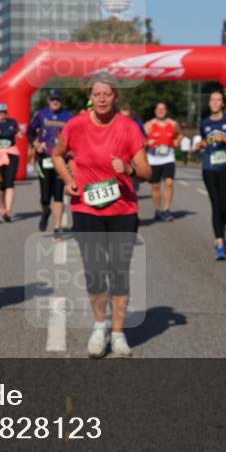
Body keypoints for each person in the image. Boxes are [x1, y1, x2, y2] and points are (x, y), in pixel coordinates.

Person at [53, 75, 151, 358]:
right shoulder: (76, 124)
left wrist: (129, 169)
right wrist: (67, 180)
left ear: (115, 96)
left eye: (107, 94)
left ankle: (118, 333)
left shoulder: (128, 128)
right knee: (95, 270)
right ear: (90, 97)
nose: (102, 98)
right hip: (86, 208)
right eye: (97, 94)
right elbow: (57, 154)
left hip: (123, 210)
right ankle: (100, 326)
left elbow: (147, 171)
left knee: (119, 271)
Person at [196, 90, 226, 260]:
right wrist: (201, 144)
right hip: (209, 168)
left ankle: (221, 232)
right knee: (215, 205)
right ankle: (220, 242)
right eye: (212, 100)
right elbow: (204, 141)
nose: (215, 103)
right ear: (209, 103)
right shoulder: (205, 123)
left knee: (223, 207)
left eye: (218, 100)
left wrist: (225, 139)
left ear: (223, 104)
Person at [28, 89, 73, 238]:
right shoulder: (40, 114)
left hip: (61, 159)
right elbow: (30, 132)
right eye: (53, 99)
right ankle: (46, 211)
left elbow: (74, 136)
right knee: (45, 197)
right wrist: (36, 145)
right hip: (44, 159)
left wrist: (71, 153)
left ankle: (57, 227)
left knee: (59, 194)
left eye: (58, 99)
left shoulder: (68, 116)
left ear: (61, 101)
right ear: (48, 100)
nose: (55, 102)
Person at [144, 102, 183, 221]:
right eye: (158, 109)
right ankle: (157, 210)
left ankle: (166, 210)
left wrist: (177, 141)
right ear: (155, 111)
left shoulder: (173, 124)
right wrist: (146, 143)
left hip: (168, 158)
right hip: (153, 159)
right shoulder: (149, 125)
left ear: (166, 111)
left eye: (163, 109)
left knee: (169, 183)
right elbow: (139, 140)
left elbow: (180, 135)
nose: (160, 111)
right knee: (155, 186)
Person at [0, 102, 23, 222]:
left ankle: (7, 211)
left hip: (12, 154)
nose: (1, 115)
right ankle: (2, 206)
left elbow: (19, 134)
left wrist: (19, 133)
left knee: (10, 182)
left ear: (6, 113)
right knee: (2, 185)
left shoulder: (12, 122)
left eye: (3, 112)